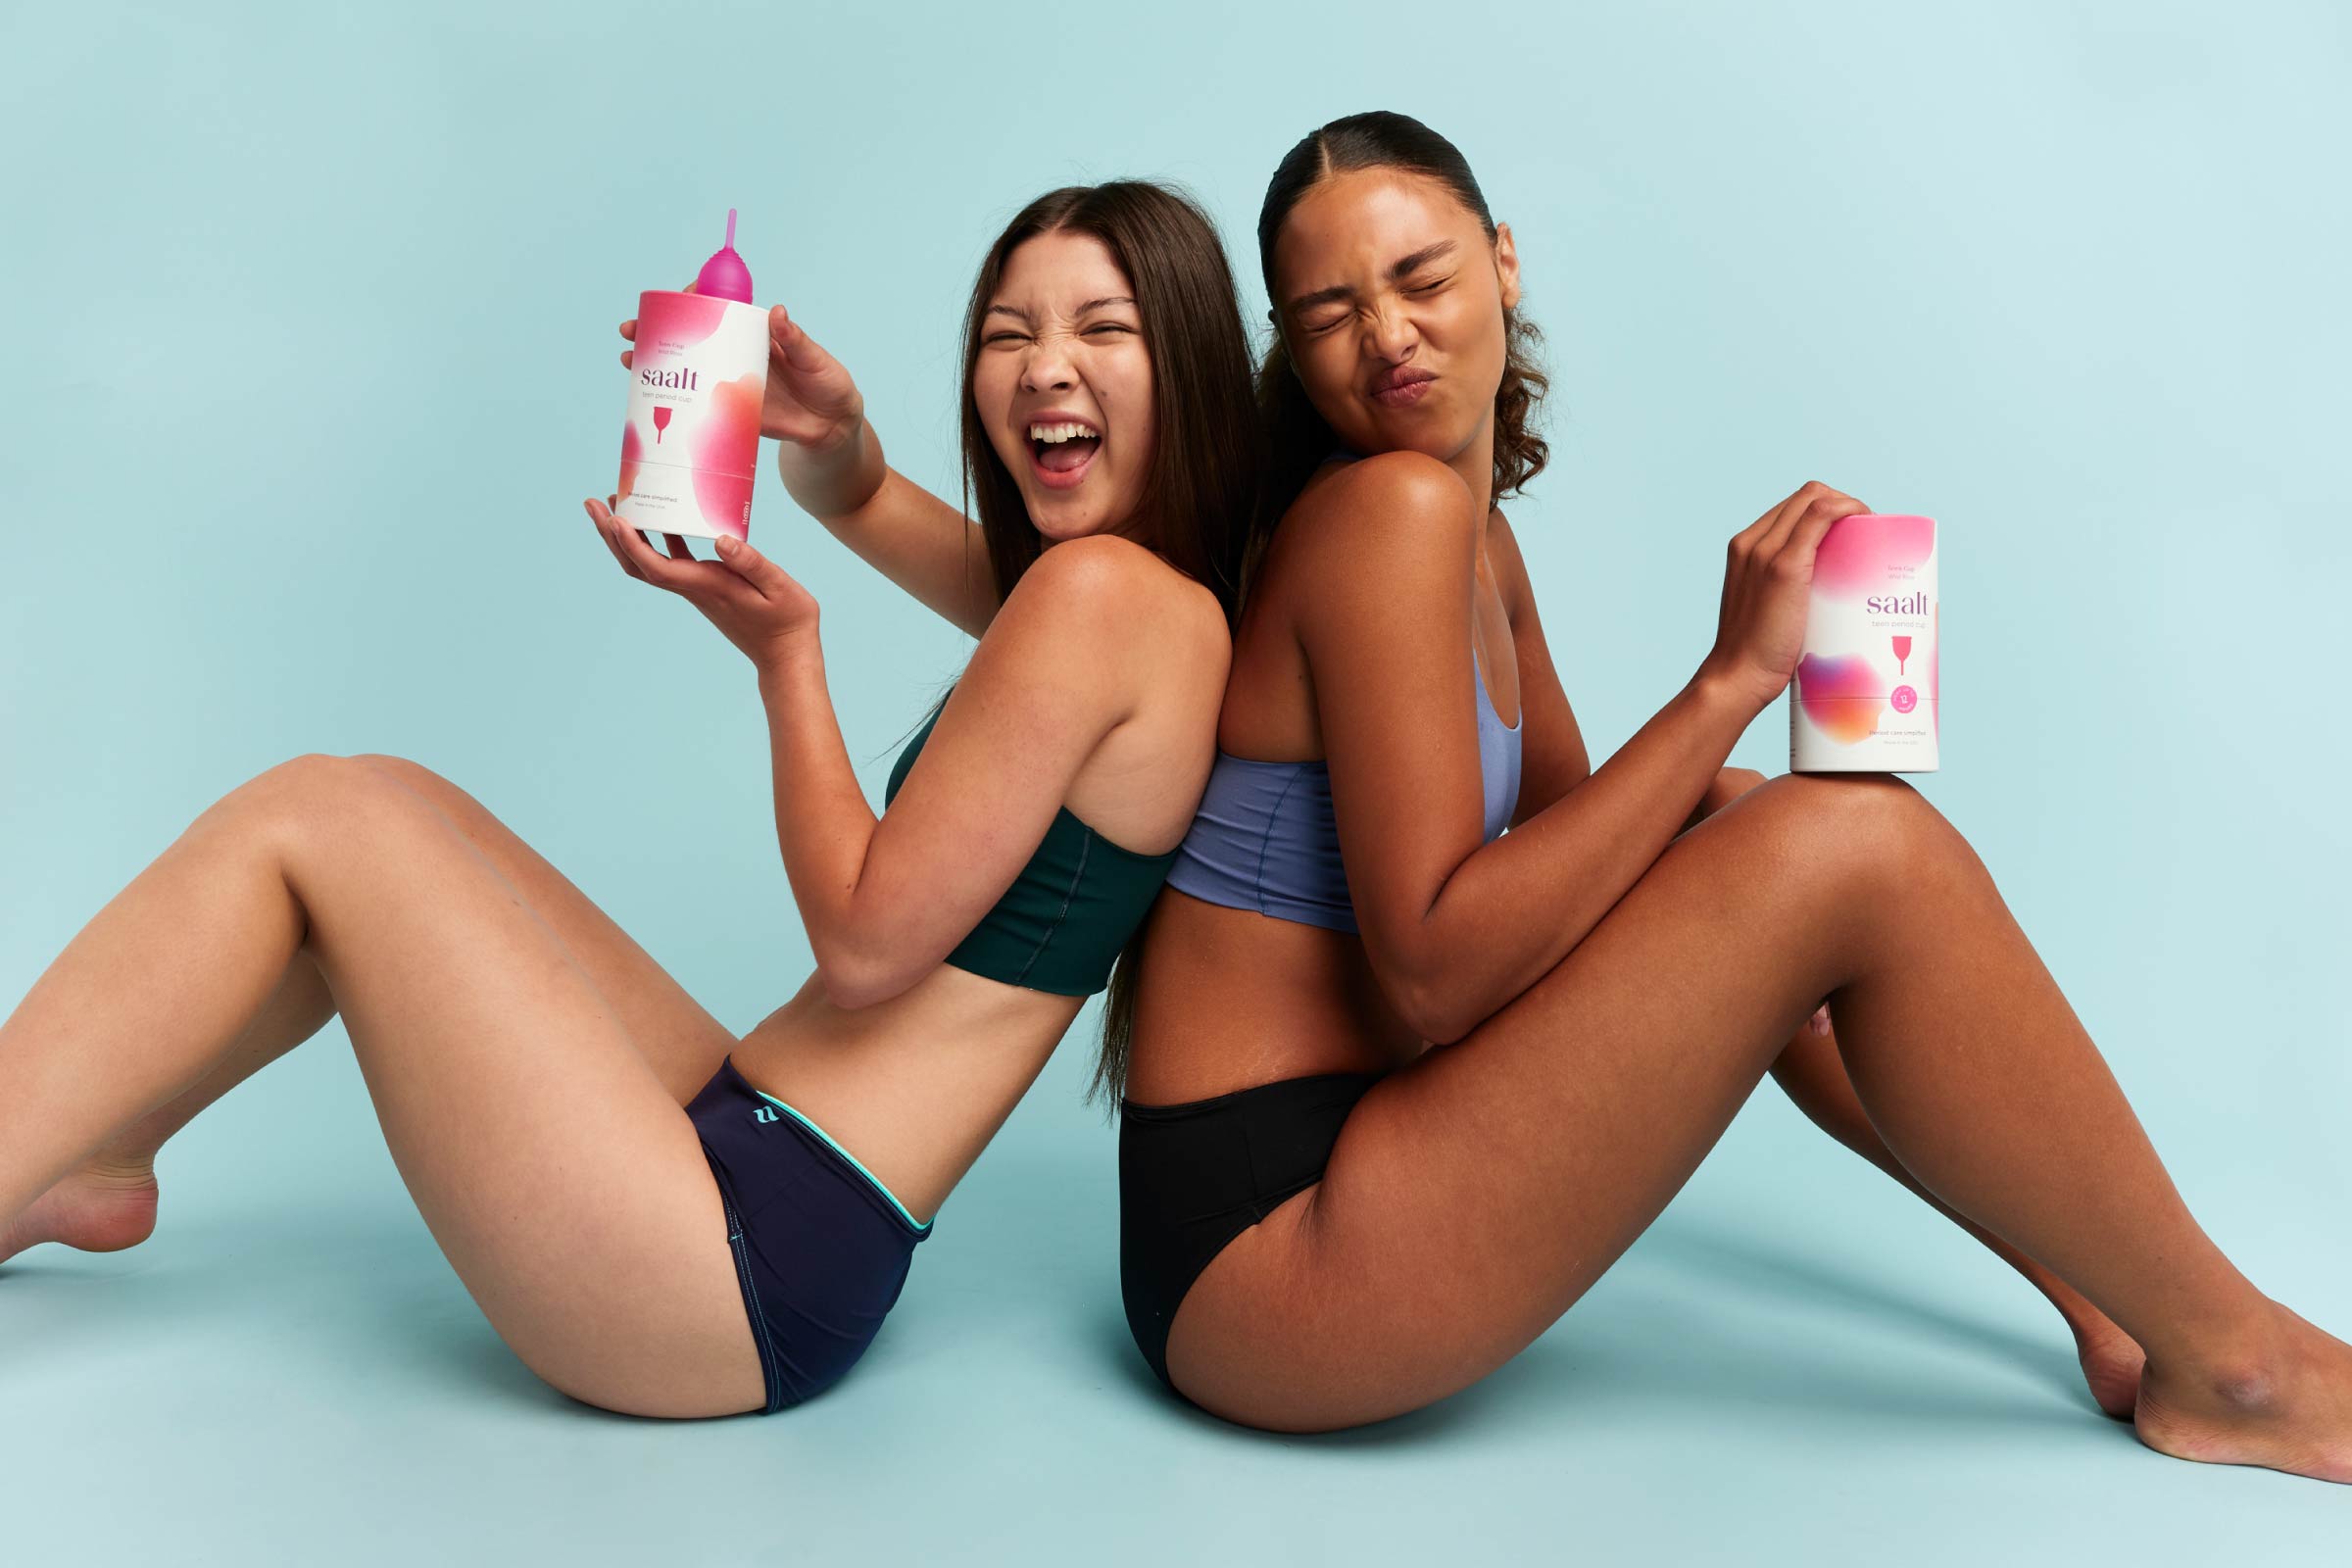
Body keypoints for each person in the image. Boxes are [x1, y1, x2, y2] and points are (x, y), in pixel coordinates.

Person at [1105, 111, 2350, 1483]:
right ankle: (2238, 1365)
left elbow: (1590, 855)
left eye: (1423, 280)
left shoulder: (1473, 539)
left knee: (1752, 818)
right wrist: (1730, 680)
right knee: (1837, 844)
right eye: (1331, 312)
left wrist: (1746, 825)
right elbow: (1432, 983)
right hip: (1267, 1249)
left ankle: (2112, 1305)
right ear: (1293, 346)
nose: (1389, 337)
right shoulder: (1383, 516)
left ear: (1504, 263)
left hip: (1347, 1172)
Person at [0, 179, 1252, 1419]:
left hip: (739, 1262)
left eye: (1101, 328)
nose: (1044, 368)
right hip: (753, 1155)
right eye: (1006, 333)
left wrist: (786, 662)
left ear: (1190, 360)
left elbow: (867, 946)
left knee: (321, 822)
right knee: (391, 801)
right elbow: (870, 503)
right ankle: (103, 1146)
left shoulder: (1102, 602)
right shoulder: (1150, 610)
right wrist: (833, 434)